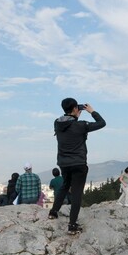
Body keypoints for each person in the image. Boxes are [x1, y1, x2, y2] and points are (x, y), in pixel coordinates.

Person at [48, 98, 106, 235]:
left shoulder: (57, 123)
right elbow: (102, 123)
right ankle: (72, 225)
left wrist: (74, 116)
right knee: (77, 193)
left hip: (63, 163)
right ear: (75, 109)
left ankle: (53, 212)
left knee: (65, 185)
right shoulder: (81, 125)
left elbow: (67, 122)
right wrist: (91, 111)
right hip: (79, 163)